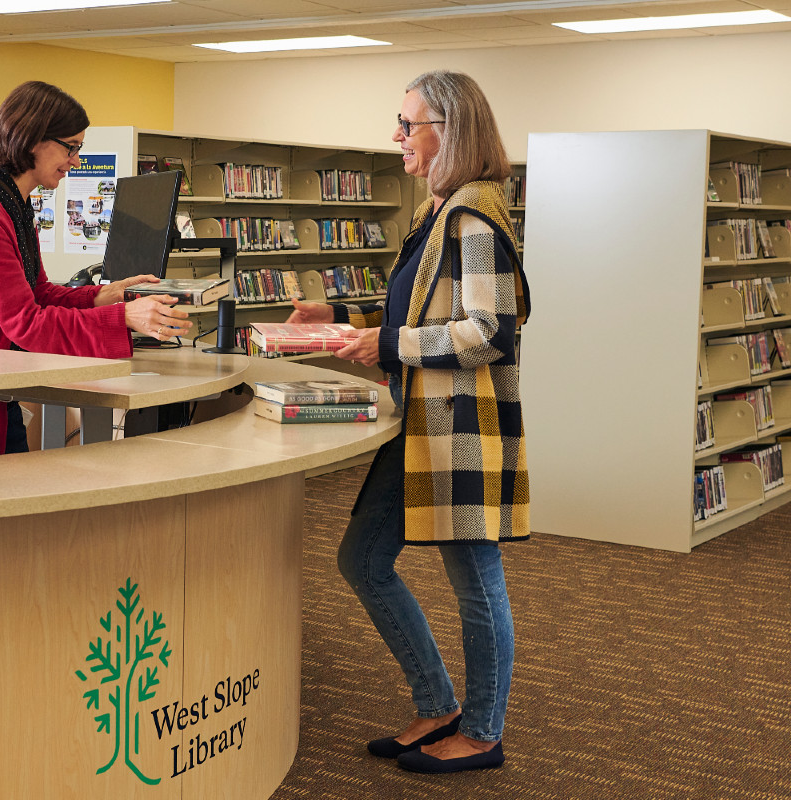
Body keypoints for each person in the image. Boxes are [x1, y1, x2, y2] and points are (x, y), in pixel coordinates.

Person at [287, 70, 530, 774]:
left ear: (448, 132)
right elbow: (417, 311)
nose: (397, 137)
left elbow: (489, 331)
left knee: (476, 581)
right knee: (361, 560)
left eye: (407, 123)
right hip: (420, 427)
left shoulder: (475, 218)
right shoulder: (435, 213)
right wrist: (341, 321)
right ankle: (438, 704)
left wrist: (387, 345)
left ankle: (482, 732)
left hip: (458, 428)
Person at [0, 81, 192, 460]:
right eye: (71, 146)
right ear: (31, 140)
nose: (76, 160)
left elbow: (38, 293)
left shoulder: (13, 201)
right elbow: (26, 323)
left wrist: (108, 295)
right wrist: (122, 318)